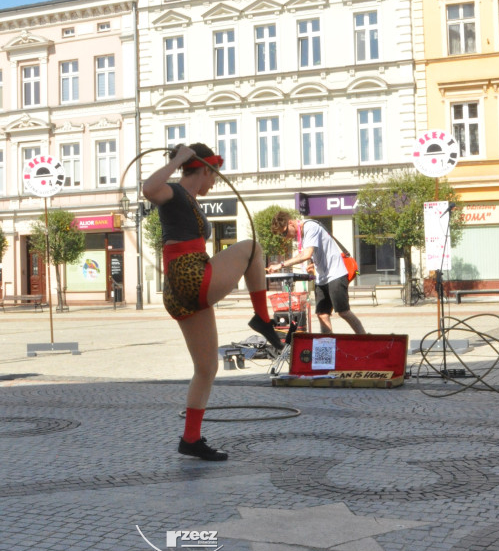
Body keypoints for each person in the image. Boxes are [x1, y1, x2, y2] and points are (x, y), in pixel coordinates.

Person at [143, 143, 283, 462]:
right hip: (190, 276)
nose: (214, 183)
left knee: (206, 368)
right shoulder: (174, 193)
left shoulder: (187, 200)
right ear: (204, 168)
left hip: (181, 289)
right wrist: (179, 159)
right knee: (252, 248)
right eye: (214, 176)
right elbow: (149, 188)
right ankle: (262, 318)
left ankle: (190, 440)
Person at [267, 211, 366, 335]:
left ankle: (364, 338)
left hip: (335, 273)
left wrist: (281, 265)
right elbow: (315, 252)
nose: (285, 237)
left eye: (285, 232)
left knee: (343, 312)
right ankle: (327, 345)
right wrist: (314, 264)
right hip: (322, 277)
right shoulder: (303, 234)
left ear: (291, 223)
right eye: (282, 235)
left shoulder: (310, 227)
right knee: (322, 314)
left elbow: (306, 254)